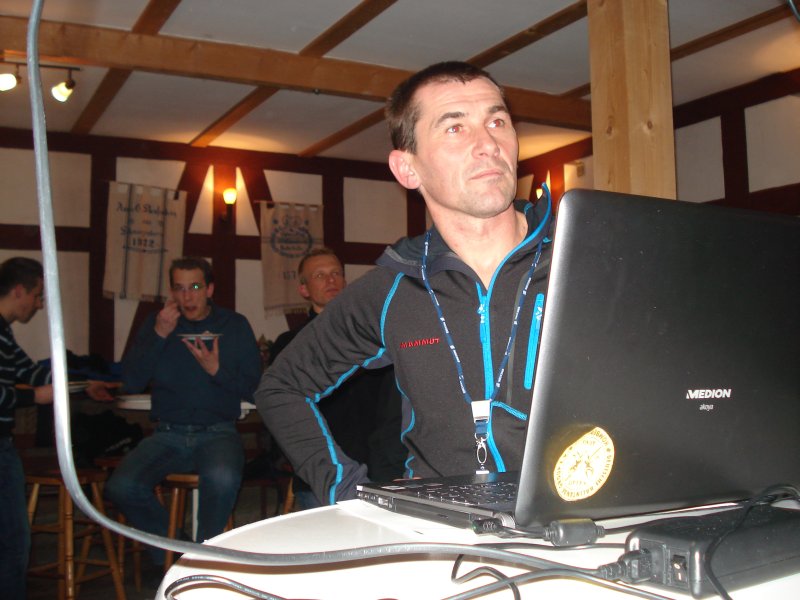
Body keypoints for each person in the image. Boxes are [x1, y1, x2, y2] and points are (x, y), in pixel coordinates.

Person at [255, 61, 552, 506]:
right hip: (441, 528)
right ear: (407, 169)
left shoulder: (585, 258)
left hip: (578, 524)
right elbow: (281, 387)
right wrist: (347, 491)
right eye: (455, 128)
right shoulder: (394, 287)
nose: (488, 144)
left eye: (497, 122)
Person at [105, 257, 261, 568]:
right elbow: (131, 382)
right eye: (179, 288)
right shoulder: (159, 324)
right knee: (121, 486)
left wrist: (217, 371)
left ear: (210, 289)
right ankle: (184, 554)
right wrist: (159, 334)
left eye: (195, 287)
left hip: (218, 432)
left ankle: (205, 561)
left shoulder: (234, 325)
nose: (187, 296)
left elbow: (256, 389)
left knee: (222, 477)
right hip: (167, 433)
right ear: (172, 291)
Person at [0, 257, 114, 600]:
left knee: (13, 541)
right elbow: (27, 388)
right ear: (18, 291)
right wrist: (34, 397)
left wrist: (83, 384)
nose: (39, 304)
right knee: (13, 542)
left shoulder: (4, 333)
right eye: (37, 295)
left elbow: (33, 372)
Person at [268, 247, 405, 508]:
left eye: (336, 273)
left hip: (380, 465)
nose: (331, 280)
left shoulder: (375, 340)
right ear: (304, 289)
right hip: (324, 469)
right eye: (319, 275)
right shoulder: (290, 345)